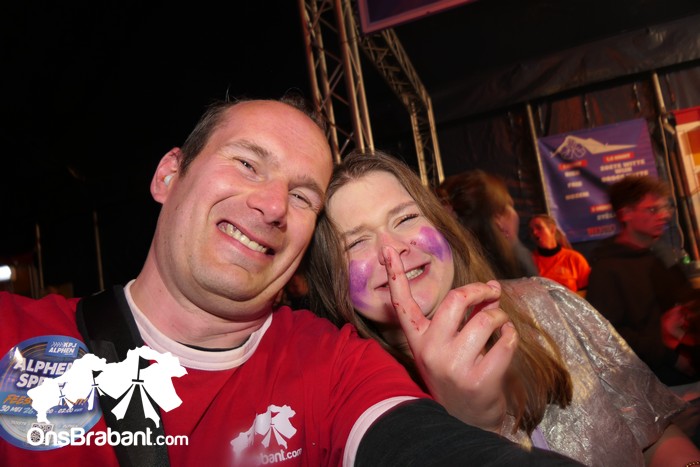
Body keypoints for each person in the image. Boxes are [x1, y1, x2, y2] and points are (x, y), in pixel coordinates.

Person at [0, 96, 585, 467]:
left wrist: (471, 422)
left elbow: (421, 443)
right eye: (247, 163)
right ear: (169, 174)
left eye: (303, 195)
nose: (274, 204)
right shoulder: (15, 333)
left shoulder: (333, 366)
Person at [306, 150, 700, 466]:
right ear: (331, 281)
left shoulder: (547, 302)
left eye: (406, 218)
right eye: (355, 242)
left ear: (442, 226)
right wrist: (468, 425)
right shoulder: (359, 409)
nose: (392, 250)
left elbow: (655, 433)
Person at [587, 175, 700, 387]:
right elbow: (609, 334)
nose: (664, 215)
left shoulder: (662, 255)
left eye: (665, 208)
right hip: (658, 382)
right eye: (652, 209)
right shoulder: (607, 269)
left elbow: (685, 302)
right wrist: (671, 358)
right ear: (626, 214)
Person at [439, 170, 538, 279]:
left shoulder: (449, 268)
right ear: (497, 219)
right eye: (507, 206)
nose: (514, 215)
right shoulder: (515, 268)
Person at [528, 214, 591, 293]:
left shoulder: (574, 258)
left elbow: (586, 291)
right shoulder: (529, 261)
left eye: (539, 228)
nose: (534, 232)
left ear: (552, 229)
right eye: (531, 230)